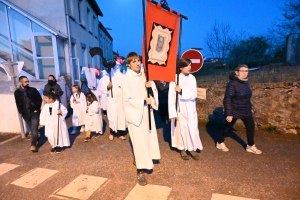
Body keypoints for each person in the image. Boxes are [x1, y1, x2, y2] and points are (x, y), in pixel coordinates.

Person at [122, 52, 160, 186]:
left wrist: (151, 87)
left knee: (148, 139)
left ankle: (145, 159)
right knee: (139, 141)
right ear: (129, 64)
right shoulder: (126, 79)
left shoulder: (144, 76)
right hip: (135, 115)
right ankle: (140, 170)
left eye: (138, 60)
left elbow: (152, 92)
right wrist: (143, 101)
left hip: (146, 112)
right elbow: (127, 99)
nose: (137, 63)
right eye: (134, 61)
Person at [216, 64, 262, 154]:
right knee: (227, 128)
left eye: (246, 71)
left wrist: (250, 107)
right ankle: (220, 142)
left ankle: (250, 146)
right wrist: (229, 113)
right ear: (237, 72)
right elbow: (227, 98)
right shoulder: (232, 84)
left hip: (245, 109)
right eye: (242, 71)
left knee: (250, 127)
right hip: (234, 110)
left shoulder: (245, 82)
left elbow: (247, 97)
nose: (244, 73)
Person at [168, 58, 203, 160]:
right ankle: (182, 148)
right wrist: (173, 113)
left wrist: (182, 91)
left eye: (190, 65)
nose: (189, 67)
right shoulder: (175, 78)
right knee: (181, 129)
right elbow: (171, 97)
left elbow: (194, 94)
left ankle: (191, 148)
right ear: (180, 67)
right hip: (180, 108)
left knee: (192, 128)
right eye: (187, 66)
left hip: (190, 107)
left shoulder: (192, 78)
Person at [14, 76, 42, 152]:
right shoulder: (17, 92)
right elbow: (17, 103)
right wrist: (20, 112)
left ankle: (33, 144)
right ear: (21, 82)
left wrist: (37, 109)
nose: (27, 83)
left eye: (28, 81)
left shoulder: (33, 90)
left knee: (34, 128)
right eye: (25, 82)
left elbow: (39, 99)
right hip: (25, 114)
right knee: (33, 129)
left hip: (34, 112)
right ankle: (36, 138)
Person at [100, 58, 127, 140]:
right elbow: (102, 89)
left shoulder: (122, 77)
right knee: (112, 117)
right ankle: (112, 133)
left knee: (121, 117)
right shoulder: (106, 78)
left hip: (120, 99)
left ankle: (121, 133)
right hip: (112, 100)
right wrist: (108, 87)